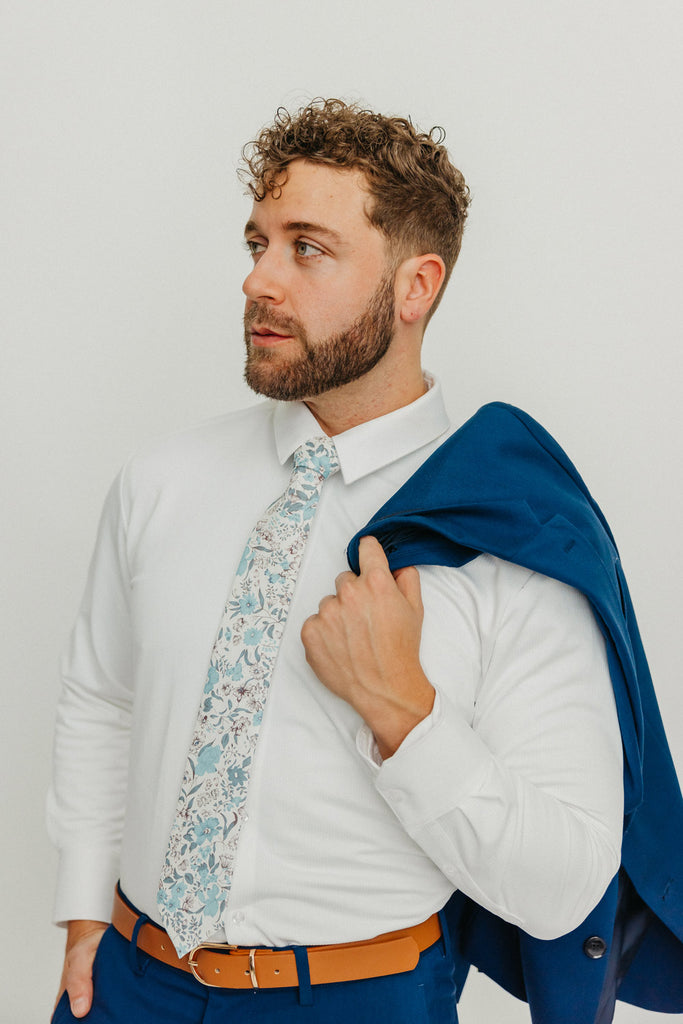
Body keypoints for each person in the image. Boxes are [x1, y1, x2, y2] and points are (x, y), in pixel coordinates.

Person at [49, 98, 673, 1024]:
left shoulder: (508, 533)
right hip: (127, 985)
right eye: (256, 243)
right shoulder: (160, 481)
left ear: (416, 285)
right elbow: (103, 698)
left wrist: (402, 711)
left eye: (307, 248)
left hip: (357, 999)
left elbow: (563, 884)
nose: (259, 280)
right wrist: (80, 911)